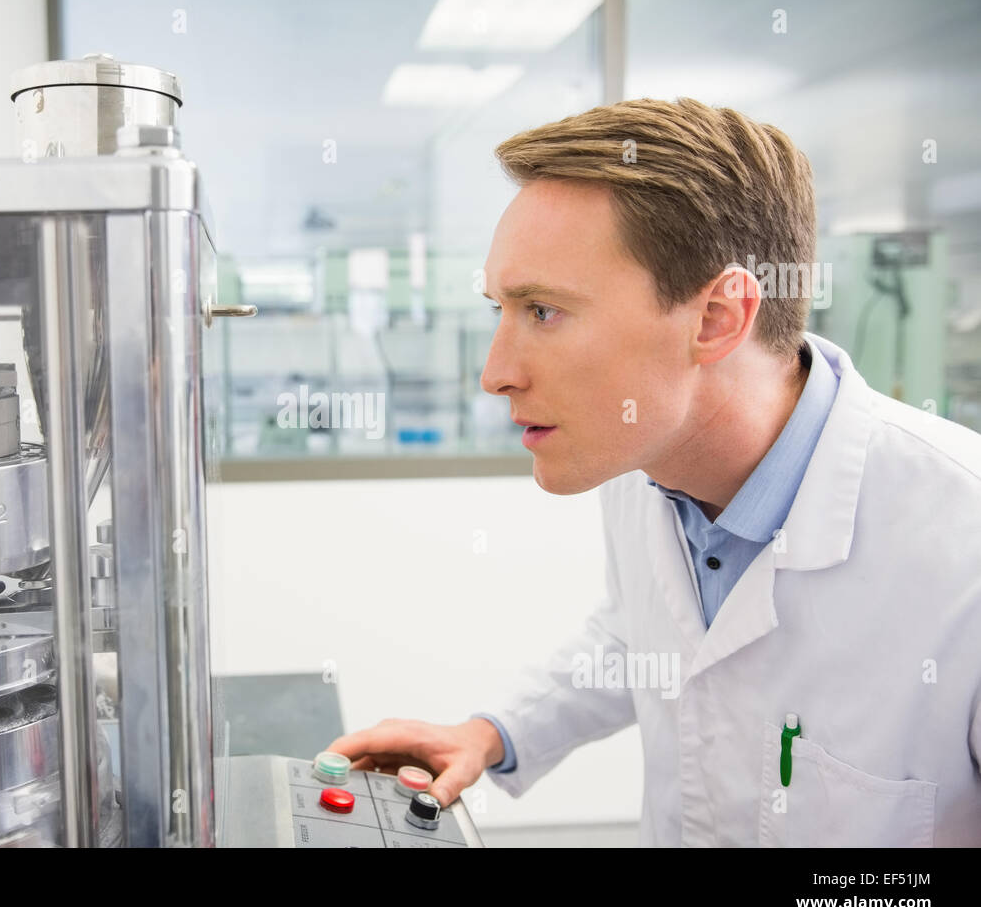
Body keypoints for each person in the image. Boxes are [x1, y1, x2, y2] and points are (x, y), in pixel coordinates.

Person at [324, 98, 981, 846]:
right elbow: (640, 638)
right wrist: (492, 733)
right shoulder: (647, 466)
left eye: (542, 311)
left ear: (716, 319)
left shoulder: (961, 548)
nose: (495, 373)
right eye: (499, 309)